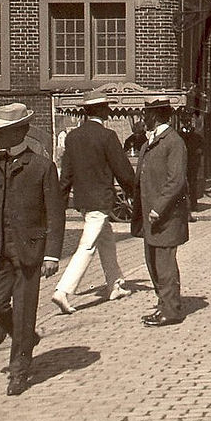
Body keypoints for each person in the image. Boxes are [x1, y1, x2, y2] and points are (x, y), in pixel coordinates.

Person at [0, 103, 65, 396]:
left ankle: (19, 371)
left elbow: (55, 214)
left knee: (23, 312)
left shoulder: (42, 167)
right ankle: (27, 338)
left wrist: (51, 254)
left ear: (18, 132)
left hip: (30, 252)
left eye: (0, 133)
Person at [51, 94, 138, 315]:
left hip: (83, 200)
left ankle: (114, 284)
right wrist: (132, 191)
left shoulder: (73, 137)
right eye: (106, 108)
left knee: (106, 239)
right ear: (102, 111)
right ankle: (63, 290)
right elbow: (123, 170)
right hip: (101, 199)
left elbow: (67, 173)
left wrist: (59, 201)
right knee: (87, 246)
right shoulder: (108, 136)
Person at [132, 97, 189, 328]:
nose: (143, 118)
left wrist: (158, 207)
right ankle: (163, 304)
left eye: (146, 114)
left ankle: (171, 310)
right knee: (153, 262)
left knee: (164, 264)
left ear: (156, 116)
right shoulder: (151, 142)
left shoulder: (173, 142)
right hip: (151, 216)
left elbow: (175, 180)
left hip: (165, 216)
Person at [177, 107, 204, 222]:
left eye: (188, 119)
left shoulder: (196, 135)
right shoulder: (179, 134)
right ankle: (184, 205)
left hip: (193, 162)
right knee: (182, 182)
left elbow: (202, 146)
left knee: (192, 182)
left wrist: (199, 151)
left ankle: (193, 204)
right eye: (185, 120)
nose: (186, 122)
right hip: (183, 161)